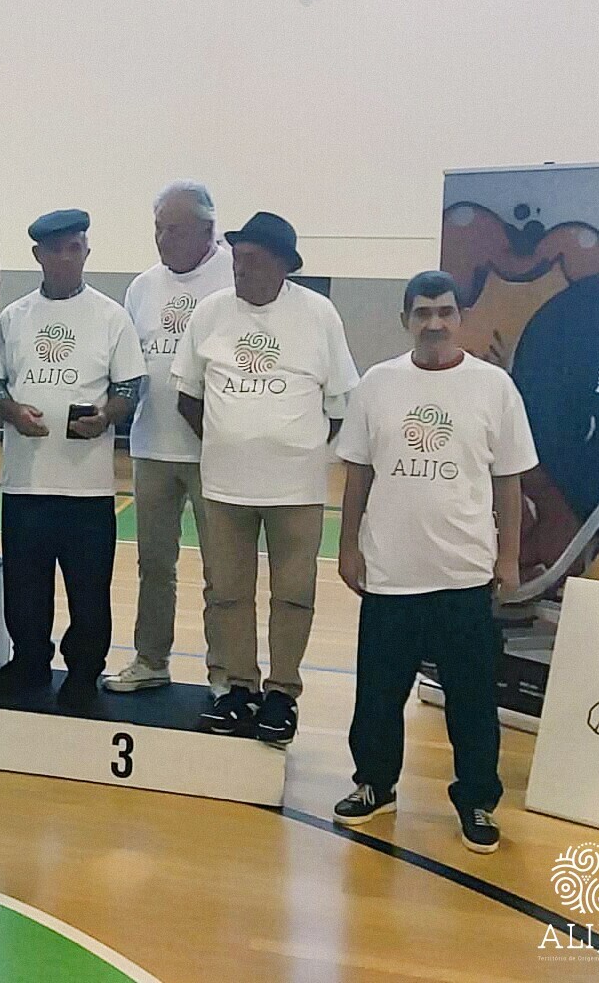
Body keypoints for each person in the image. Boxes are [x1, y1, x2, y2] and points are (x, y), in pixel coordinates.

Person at [332, 270, 535, 854]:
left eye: (445, 311)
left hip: (464, 574)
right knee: (378, 695)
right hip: (391, 573)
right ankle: (375, 784)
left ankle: (476, 800)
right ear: (405, 320)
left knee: (471, 701)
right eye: (422, 313)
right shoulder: (377, 384)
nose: (435, 323)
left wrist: (509, 557)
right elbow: (358, 473)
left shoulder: (494, 387)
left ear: (460, 317)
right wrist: (348, 547)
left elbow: (509, 481)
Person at [172, 212, 359, 744]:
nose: (239, 269)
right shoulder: (210, 312)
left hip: (296, 489)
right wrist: (228, 441)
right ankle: (238, 688)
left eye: (251, 261)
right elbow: (188, 397)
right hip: (223, 487)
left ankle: (281, 693)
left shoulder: (318, 314)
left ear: (282, 265)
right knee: (228, 592)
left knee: (294, 593)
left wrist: (295, 448)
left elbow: (338, 404)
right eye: (236, 258)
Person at [0, 210, 146, 711]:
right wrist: (11, 411)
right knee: (25, 586)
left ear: (86, 252)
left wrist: (106, 416)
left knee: (89, 589)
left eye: (75, 248)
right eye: (56, 249)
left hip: (87, 486)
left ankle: (83, 671)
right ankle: (30, 661)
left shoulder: (111, 317)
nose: (66, 257)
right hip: (25, 481)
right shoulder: (13, 317)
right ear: (38, 256)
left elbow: (130, 387)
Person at [106, 181, 234, 695]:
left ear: (208, 230)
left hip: (213, 454)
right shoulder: (142, 287)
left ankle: (225, 673)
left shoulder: (234, 279)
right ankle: (151, 658)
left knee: (222, 572)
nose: (163, 240)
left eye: (175, 230)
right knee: (154, 565)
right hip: (152, 446)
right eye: (158, 229)